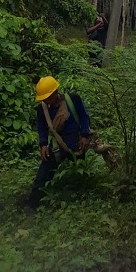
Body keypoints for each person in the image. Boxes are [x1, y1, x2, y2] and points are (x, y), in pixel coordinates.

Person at [28, 76, 90, 208]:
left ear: (56, 92)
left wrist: (85, 135)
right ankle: (33, 203)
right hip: (57, 145)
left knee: (80, 173)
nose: (46, 100)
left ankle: (81, 200)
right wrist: (43, 144)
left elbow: (84, 116)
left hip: (77, 142)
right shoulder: (42, 108)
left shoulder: (73, 99)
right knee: (44, 173)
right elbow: (41, 126)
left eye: (48, 97)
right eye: (43, 98)